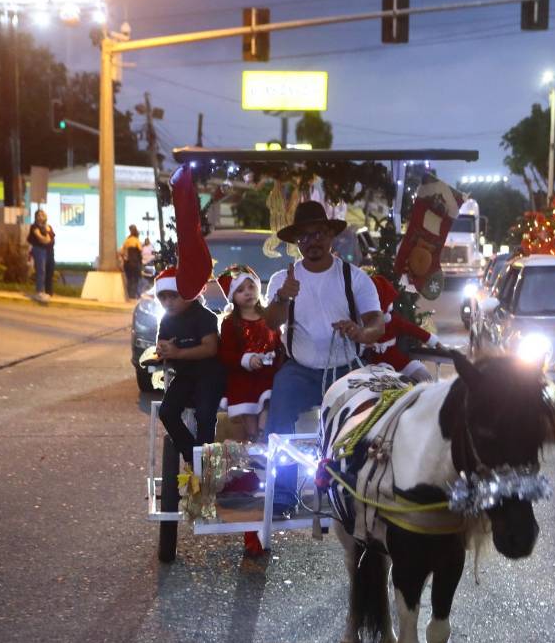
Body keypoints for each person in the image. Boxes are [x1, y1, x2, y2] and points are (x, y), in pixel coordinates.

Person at [263, 201, 384, 514]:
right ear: (296, 244)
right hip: (300, 370)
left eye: (318, 234)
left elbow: (376, 323)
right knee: (279, 416)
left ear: (331, 235)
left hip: (346, 371)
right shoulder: (282, 280)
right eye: (304, 237)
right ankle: (284, 491)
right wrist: (282, 297)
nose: (312, 242)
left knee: (368, 422)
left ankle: (358, 486)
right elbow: (269, 322)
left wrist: (360, 332)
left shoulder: (354, 278)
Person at [153, 266, 225, 467]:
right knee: (167, 412)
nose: (168, 303)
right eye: (163, 297)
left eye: (173, 296)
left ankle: (205, 463)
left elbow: (210, 348)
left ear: (188, 294)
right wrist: (163, 351)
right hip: (184, 374)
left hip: (209, 373)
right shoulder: (166, 320)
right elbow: (162, 345)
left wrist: (177, 352)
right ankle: (194, 456)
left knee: (204, 414)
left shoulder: (204, 316)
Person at [217, 265, 281, 442]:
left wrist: (276, 357)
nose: (247, 293)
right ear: (233, 296)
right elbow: (226, 354)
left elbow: (278, 342)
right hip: (242, 375)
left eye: (251, 287)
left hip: (268, 373)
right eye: (240, 290)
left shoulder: (269, 317)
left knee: (269, 397)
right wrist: (246, 360)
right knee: (248, 403)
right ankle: (254, 437)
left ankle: (263, 433)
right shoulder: (230, 324)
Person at [364, 273, 437, 382]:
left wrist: (434, 342)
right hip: (374, 365)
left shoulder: (394, 321)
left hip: (398, 361)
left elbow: (414, 330)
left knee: (422, 374)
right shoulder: (362, 324)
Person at [27, 210, 55, 302]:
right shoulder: (34, 227)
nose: (40, 216)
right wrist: (46, 238)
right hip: (39, 250)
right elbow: (41, 238)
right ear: (36, 217)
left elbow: (50, 238)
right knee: (41, 270)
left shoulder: (49, 227)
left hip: (49, 251)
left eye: (42, 214)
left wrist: (46, 236)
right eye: (38, 215)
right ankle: (39, 292)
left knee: (49, 270)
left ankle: (48, 292)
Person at [120, 224, 144, 299]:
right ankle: (133, 296)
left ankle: (130, 295)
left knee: (129, 280)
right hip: (135, 263)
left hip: (127, 264)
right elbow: (140, 251)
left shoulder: (126, 241)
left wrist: (124, 259)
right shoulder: (136, 240)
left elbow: (121, 252)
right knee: (136, 280)